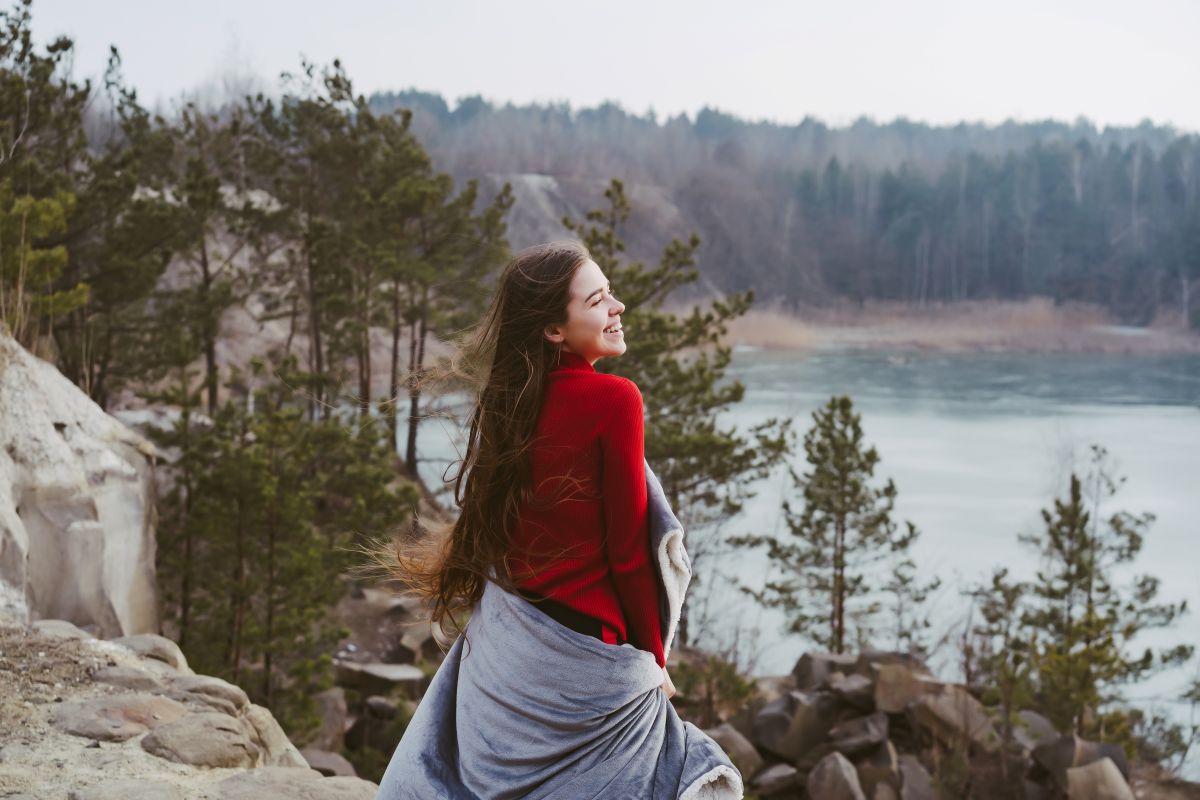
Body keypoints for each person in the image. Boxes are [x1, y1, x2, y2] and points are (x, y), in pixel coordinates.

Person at [376, 241, 741, 800]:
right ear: (554, 329)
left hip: (511, 649)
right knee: (683, 770)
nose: (617, 307)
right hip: (587, 657)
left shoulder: (512, 401)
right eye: (597, 300)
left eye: (611, 292)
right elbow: (627, 553)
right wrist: (652, 663)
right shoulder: (615, 399)